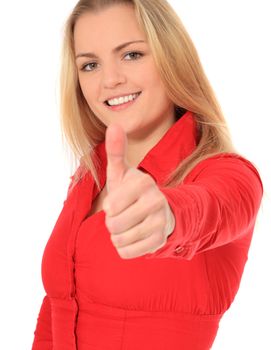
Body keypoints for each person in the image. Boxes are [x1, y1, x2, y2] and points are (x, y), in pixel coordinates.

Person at [31, 0, 263, 349]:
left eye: (132, 55)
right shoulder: (87, 177)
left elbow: (211, 207)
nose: (110, 79)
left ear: (172, 58)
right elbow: (53, 316)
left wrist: (168, 216)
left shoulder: (228, 174)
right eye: (90, 64)